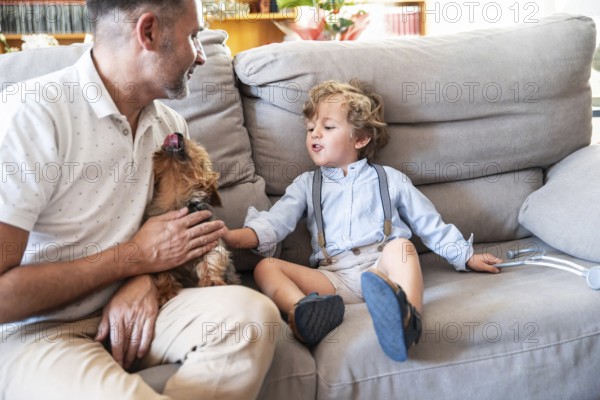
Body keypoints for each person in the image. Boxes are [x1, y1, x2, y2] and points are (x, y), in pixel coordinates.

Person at [0, 0, 279, 398]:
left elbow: (162, 238)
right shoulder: (31, 116)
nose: (201, 55)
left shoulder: (169, 128)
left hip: (135, 309)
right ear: (148, 32)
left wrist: (143, 278)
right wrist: (132, 259)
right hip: (36, 331)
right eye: (193, 36)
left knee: (252, 319)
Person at [223, 79, 502, 360]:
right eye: (310, 129)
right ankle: (306, 312)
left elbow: (429, 224)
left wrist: (465, 256)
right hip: (334, 278)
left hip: (382, 267)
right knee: (266, 268)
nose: (315, 135)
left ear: (360, 138)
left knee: (403, 248)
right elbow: (275, 223)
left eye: (328, 127)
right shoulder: (306, 184)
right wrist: (231, 238)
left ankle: (407, 321)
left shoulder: (390, 179)